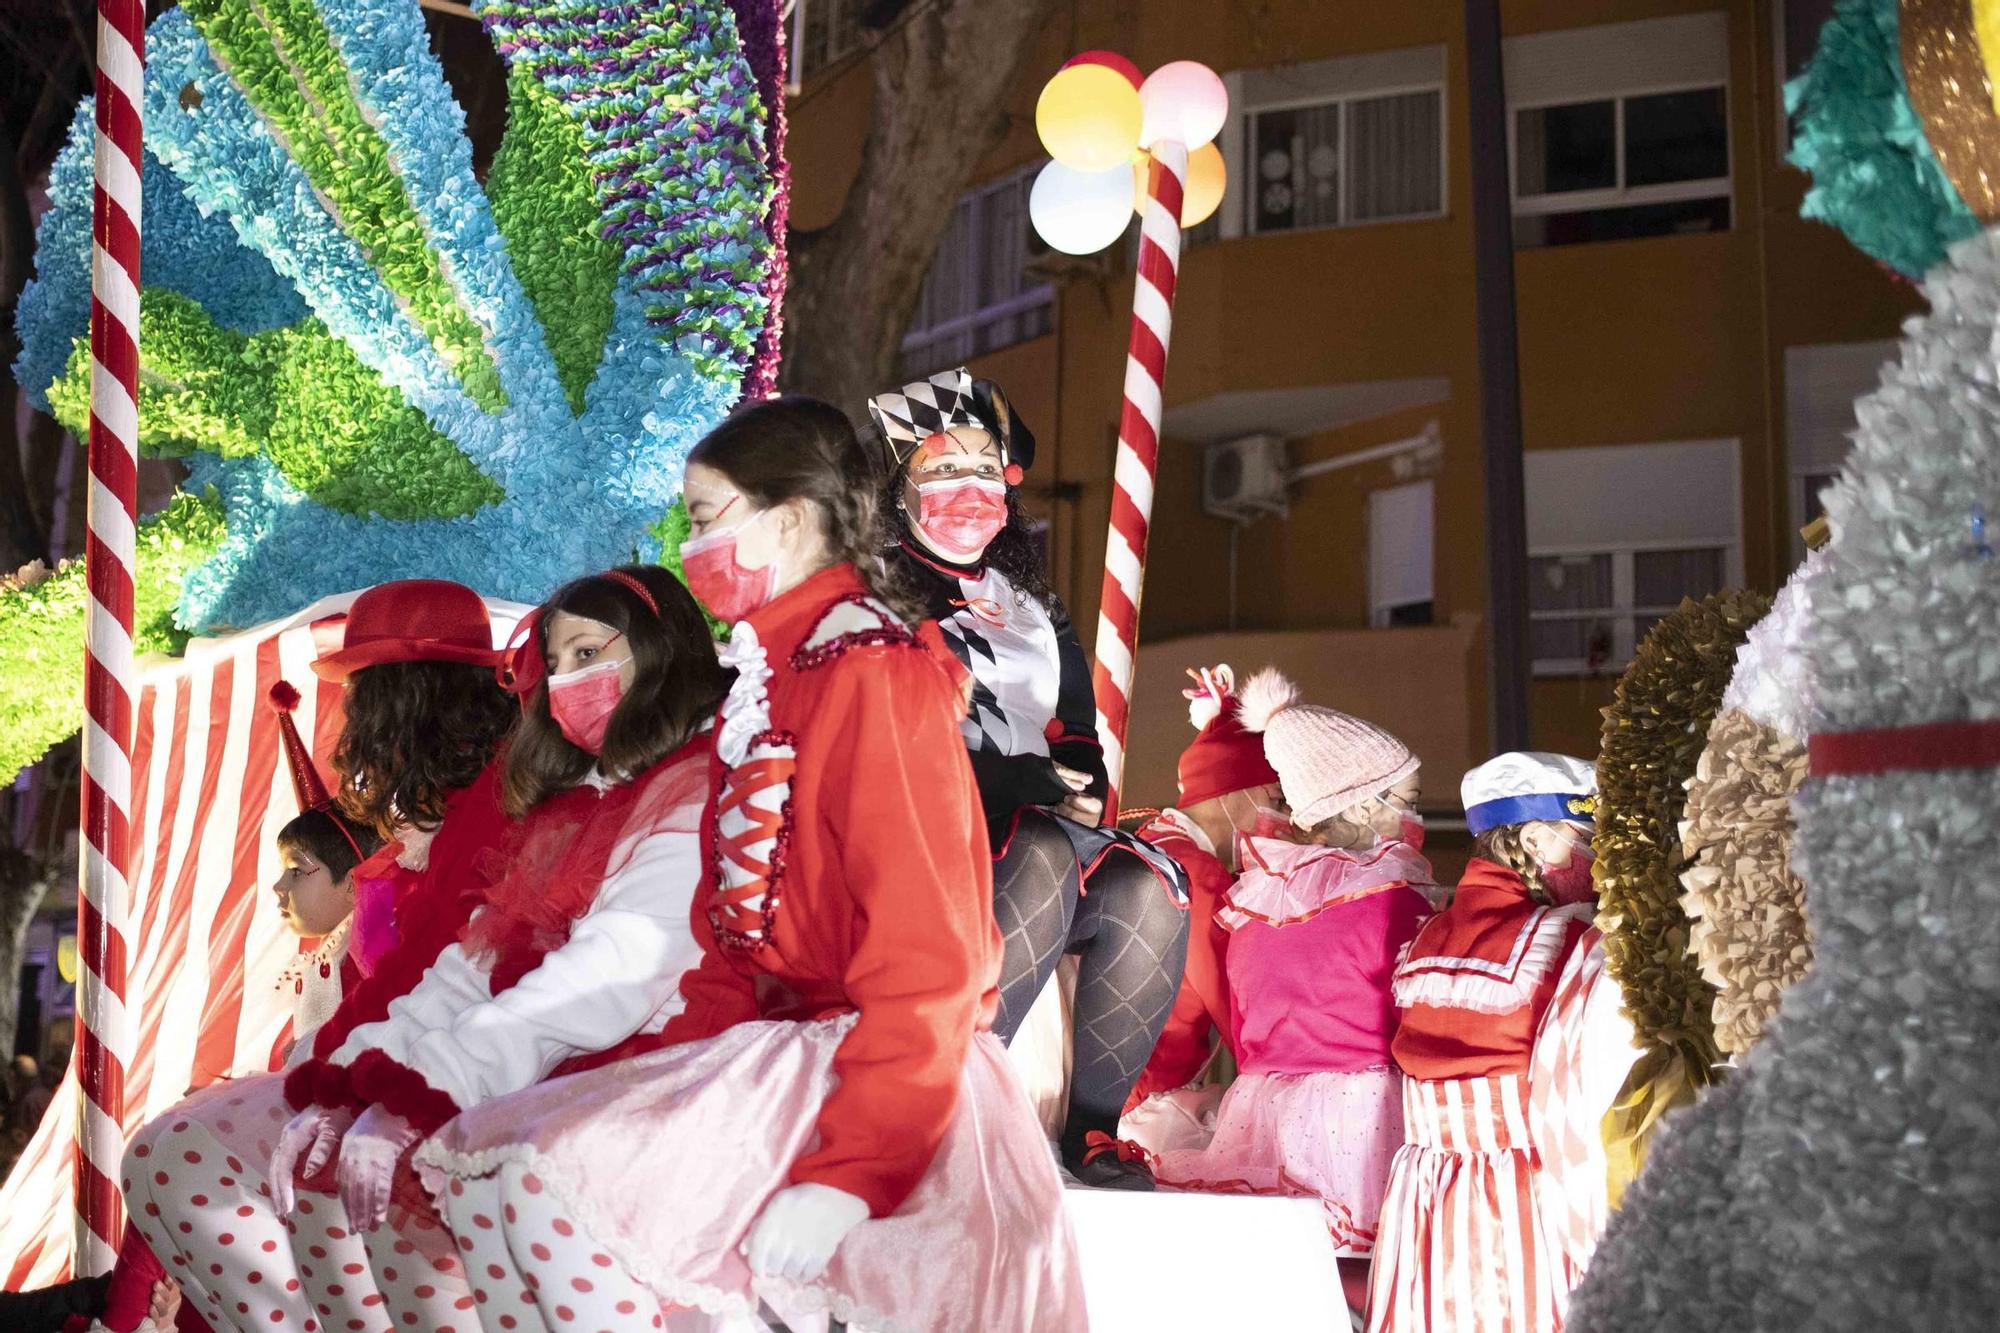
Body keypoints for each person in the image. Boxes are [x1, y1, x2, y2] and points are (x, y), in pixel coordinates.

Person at [412, 395, 1085, 1331]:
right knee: (502, 1173)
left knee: (537, 1186)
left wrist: (854, 1172)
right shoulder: (773, 678)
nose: (691, 548)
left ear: (789, 520)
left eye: (703, 517)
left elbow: (929, 952)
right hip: (776, 1062)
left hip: (884, 1089)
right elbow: (729, 946)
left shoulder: (874, 673)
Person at [266, 564, 726, 1330]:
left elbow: (610, 973)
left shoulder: (690, 787)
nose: (564, 682)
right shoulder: (577, 801)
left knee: (500, 1183)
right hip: (554, 1071)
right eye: (557, 664)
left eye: (586, 654)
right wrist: (352, 1078)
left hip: (678, 1074)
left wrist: (421, 1083)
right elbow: (472, 964)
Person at [121, 579, 517, 1333]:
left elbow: (456, 966)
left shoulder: (488, 812)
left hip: (472, 1074)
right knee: (171, 1159)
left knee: (189, 1159)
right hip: (411, 1058)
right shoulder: (431, 830)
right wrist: (330, 1067)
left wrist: (342, 1074)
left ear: (401, 701)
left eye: (362, 698)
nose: (353, 723)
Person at [867, 366, 1190, 1188]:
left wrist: (1077, 773)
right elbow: (896, 739)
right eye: (943, 468)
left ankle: (1092, 1127)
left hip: (1034, 818)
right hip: (920, 830)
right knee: (1044, 848)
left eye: (985, 468)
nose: (968, 489)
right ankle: (951, 1105)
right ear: (899, 486)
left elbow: (1075, 724)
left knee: (1150, 883)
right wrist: (1028, 782)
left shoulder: (1032, 605)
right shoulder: (874, 597)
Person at [1154, 669, 1433, 1303]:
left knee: (1287, 1288)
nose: (1415, 816)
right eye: (1407, 798)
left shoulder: (1262, 898)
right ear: (1362, 805)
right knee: (1370, 1283)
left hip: (1266, 1115)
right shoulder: (1389, 897)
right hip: (1362, 1123)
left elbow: (1256, 1023)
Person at [1366, 752, 1620, 1333]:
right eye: (1586, 838)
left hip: (1425, 1190)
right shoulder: (1572, 937)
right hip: (1523, 1192)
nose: (1595, 859)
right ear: (1535, 838)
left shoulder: (1424, 933)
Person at [1120, 665, 1287, 1150]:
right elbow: (1238, 1014)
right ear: (1235, 792)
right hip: (1145, 1110)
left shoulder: (1153, 844)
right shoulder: (1198, 874)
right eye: (1276, 799)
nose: (1283, 817)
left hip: (1119, 1092)